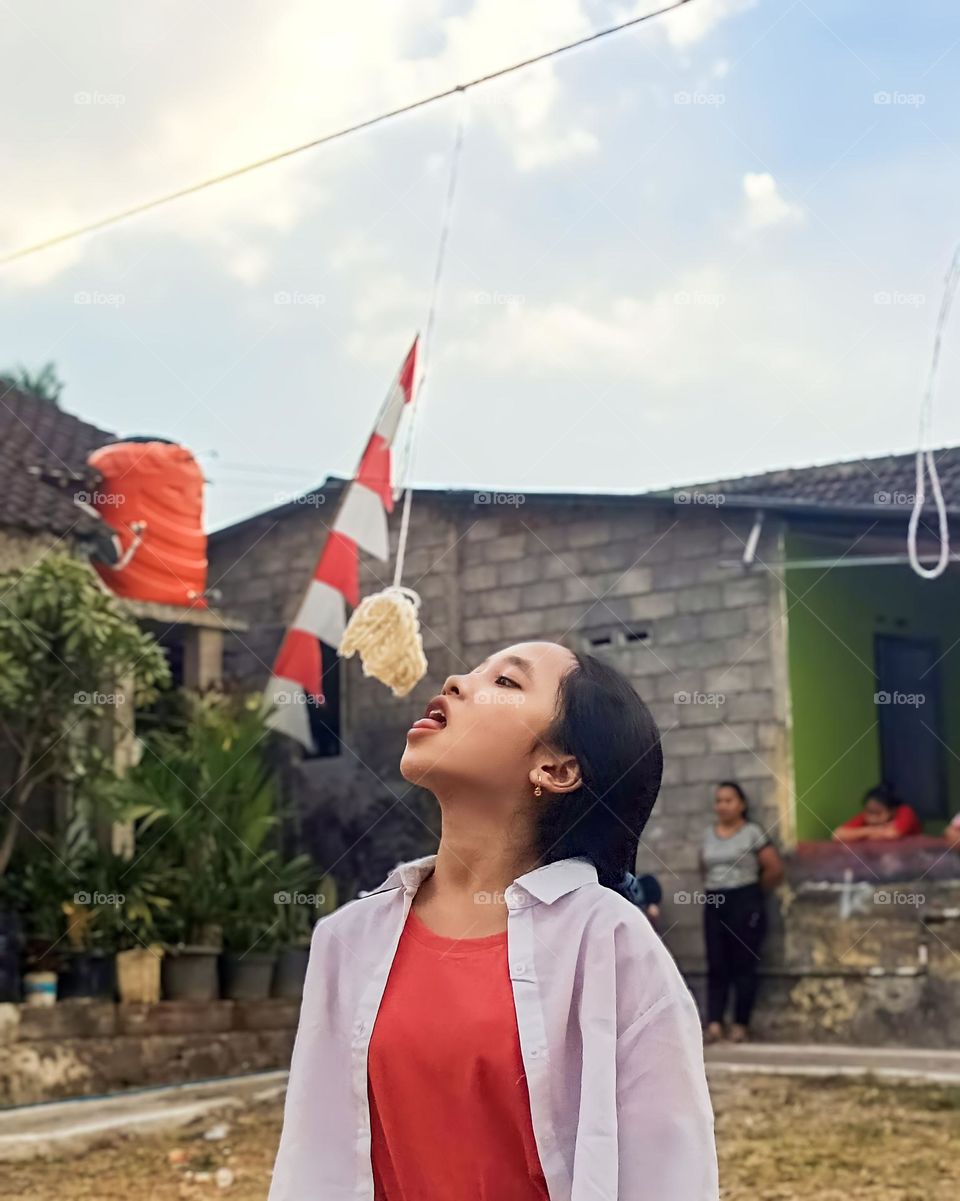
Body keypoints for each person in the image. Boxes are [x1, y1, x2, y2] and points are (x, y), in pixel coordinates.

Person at [269, 642, 718, 1201]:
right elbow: (313, 1160)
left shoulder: (607, 943)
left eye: (505, 682)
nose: (456, 680)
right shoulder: (348, 940)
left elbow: (667, 1175)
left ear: (556, 769)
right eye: (474, 670)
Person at [699, 780, 783, 1045]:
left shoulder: (752, 833)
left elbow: (773, 868)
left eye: (729, 800)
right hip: (715, 900)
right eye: (719, 801)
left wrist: (753, 896)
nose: (722, 806)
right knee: (716, 962)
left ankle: (740, 1024)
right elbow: (703, 867)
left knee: (743, 963)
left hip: (745, 899)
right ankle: (714, 1023)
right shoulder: (709, 834)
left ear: (741, 804)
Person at [832, 784, 921, 842]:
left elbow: (892, 835)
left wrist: (860, 834)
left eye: (878, 813)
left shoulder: (905, 811)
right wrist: (870, 830)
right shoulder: (866, 815)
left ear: (892, 811)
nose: (872, 817)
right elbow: (837, 835)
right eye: (869, 811)